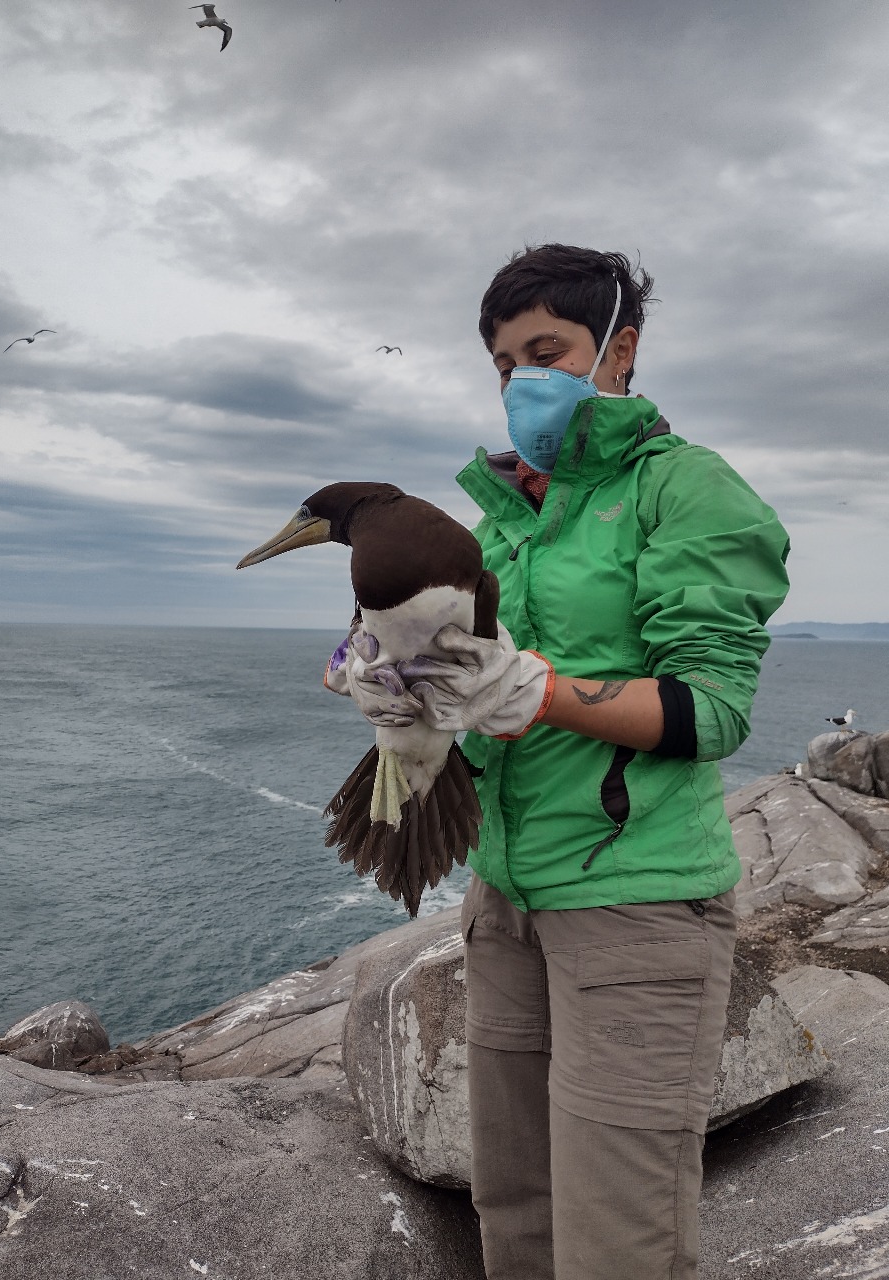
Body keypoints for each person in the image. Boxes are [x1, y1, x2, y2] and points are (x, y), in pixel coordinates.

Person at [342, 244, 790, 1280]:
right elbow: (454, 674)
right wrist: (383, 678)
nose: (520, 380)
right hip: (504, 899)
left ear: (619, 350)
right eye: (503, 363)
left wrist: (537, 691)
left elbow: (712, 708)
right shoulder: (496, 521)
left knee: (615, 1239)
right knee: (518, 1210)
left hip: (637, 904)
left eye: (546, 351)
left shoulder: (684, 490)